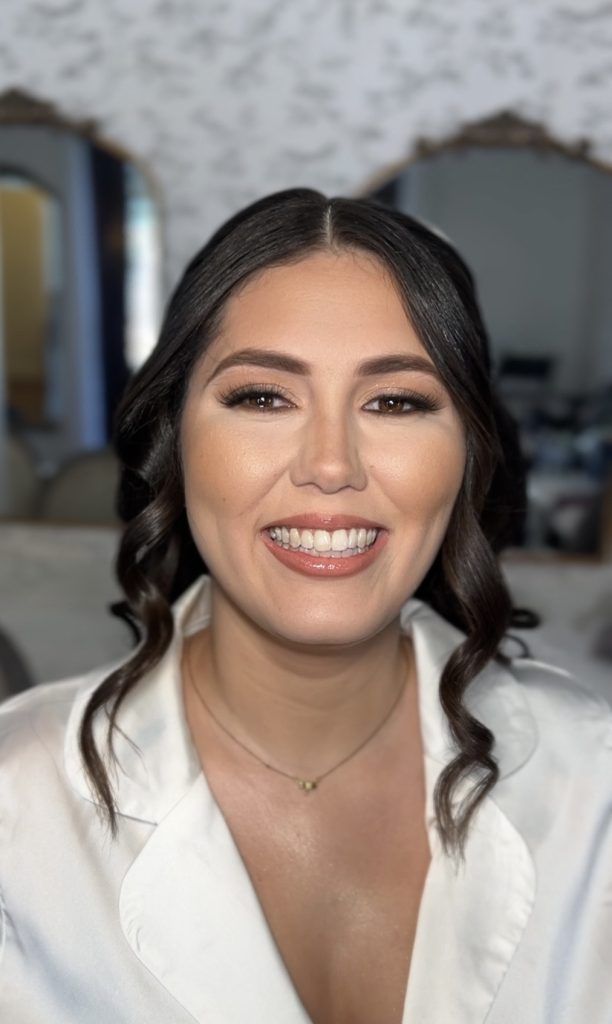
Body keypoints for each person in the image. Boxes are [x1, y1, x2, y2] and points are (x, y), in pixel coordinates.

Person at [0, 188, 610, 1024]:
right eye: (262, 397)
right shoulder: (16, 808)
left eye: (396, 401)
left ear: (468, 454)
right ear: (174, 440)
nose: (331, 464)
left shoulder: (593, 779)